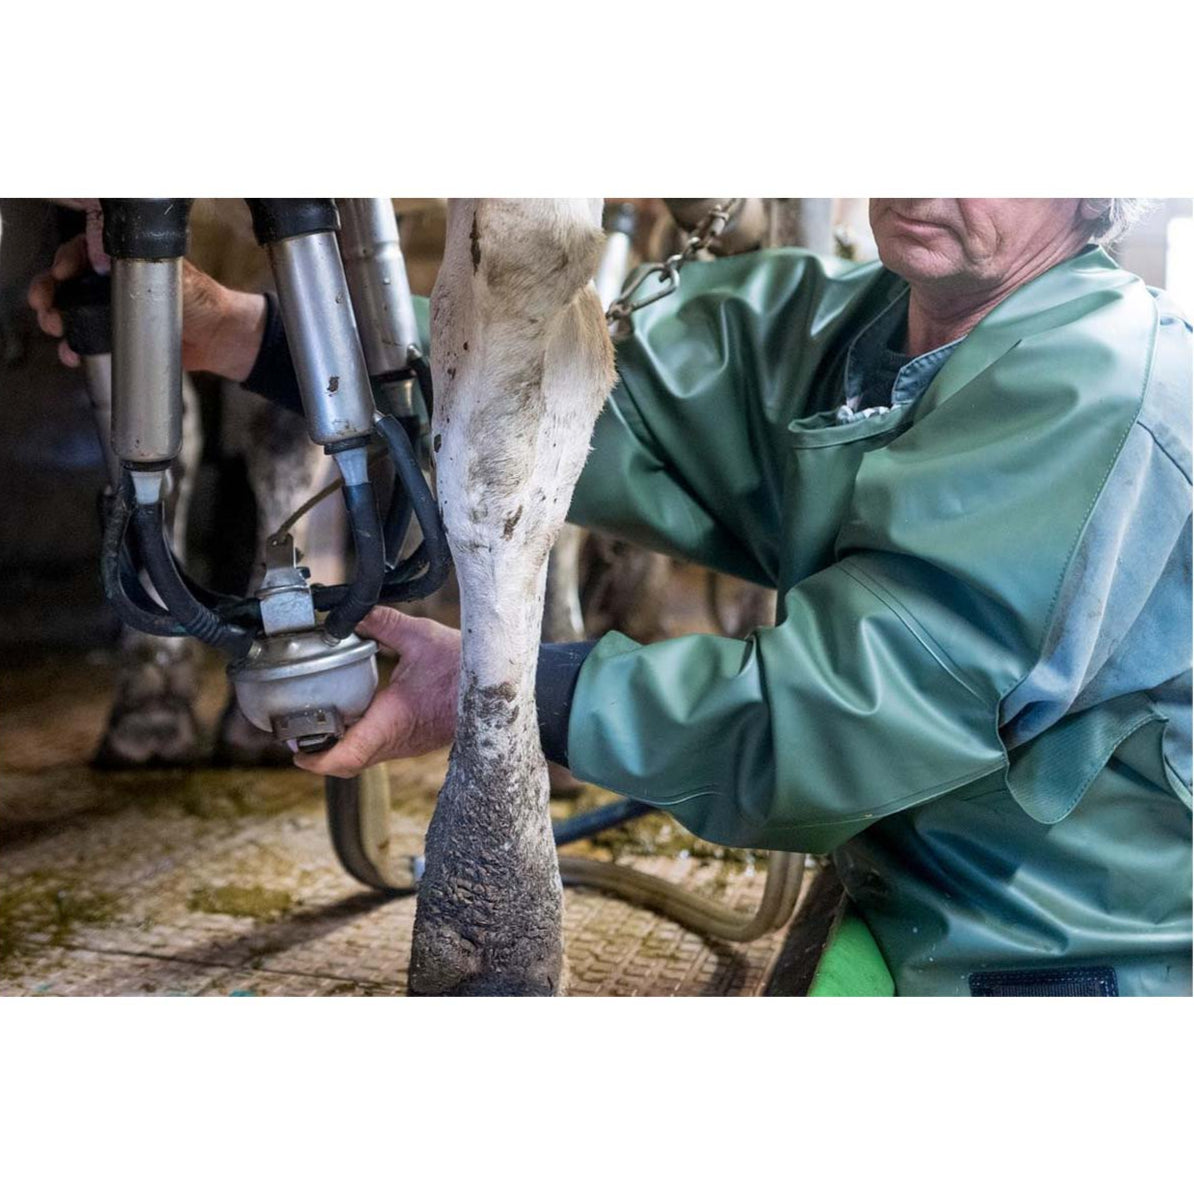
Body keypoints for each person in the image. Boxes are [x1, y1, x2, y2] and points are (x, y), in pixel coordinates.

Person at [32, 198, 1192, 996]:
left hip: (1068, 946)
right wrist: (242, 332)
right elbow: (561, 403)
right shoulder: (853, 327)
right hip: (917, 883)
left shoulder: (1097, 386)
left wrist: (496, 692)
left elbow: (848, 713)